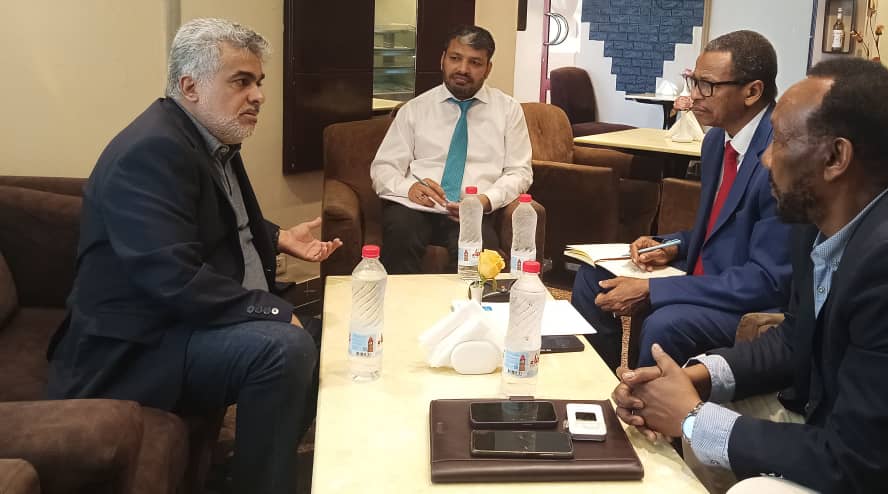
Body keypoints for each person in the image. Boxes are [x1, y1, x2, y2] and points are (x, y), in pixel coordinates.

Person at [612, 58, 888, 493]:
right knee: (702, 424)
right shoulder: (819, 218)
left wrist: (692, 417)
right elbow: (795, 337)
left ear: (836, 157)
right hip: (850, 429)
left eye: (780, 141)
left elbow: (858, 461)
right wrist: (695, 379)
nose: (765, 159)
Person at [46, 18, 340, 494]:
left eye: (259, 82)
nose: (259, 96)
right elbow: (171, 275)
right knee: (284, 347)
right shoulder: (151, 151)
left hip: (180, 322)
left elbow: (203, 218)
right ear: (190, 87)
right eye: (241, 82)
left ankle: (271, 455)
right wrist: (268, 310)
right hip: (142, 345)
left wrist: (276, 235)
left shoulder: (207, 137)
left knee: (329, 332)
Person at [572, 30, 791, 370]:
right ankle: (600, 384)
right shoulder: (716, 142)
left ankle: (648, 401)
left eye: (707, 86)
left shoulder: (781, 158)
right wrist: (671, 245)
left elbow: (766, 281)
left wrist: (654, 290)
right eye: (693, 81)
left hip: (746, 303)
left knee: (666, 323)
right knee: (591, 278)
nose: (693, 95)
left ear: (752, 91)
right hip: (703, 276)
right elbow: (720, 230)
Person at [370, 25, 533, 274]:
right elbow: (383, 168)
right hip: (416, 209)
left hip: (473, 210)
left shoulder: (508, 111)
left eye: (475, 62)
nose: (463, 69)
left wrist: (485, 200)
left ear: (488, 68)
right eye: (455, 58)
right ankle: (400, 300)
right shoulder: (415, 109)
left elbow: (519, 172)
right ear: (443, 60)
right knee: (401, 232)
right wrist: (407, 188)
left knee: (481, 262)